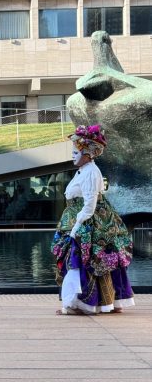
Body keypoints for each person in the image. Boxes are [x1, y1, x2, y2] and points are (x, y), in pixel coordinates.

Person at [51, 124, 134, 315]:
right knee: (93, 262)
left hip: (87, 224)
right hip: (85, 220)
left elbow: (89, 204)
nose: (72, 155)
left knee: (82, 261)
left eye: (75, 151)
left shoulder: (90, 172)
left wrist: (76, 227)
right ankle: (101, 301)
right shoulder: (86, 170)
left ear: (87, 154)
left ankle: (80, 304)